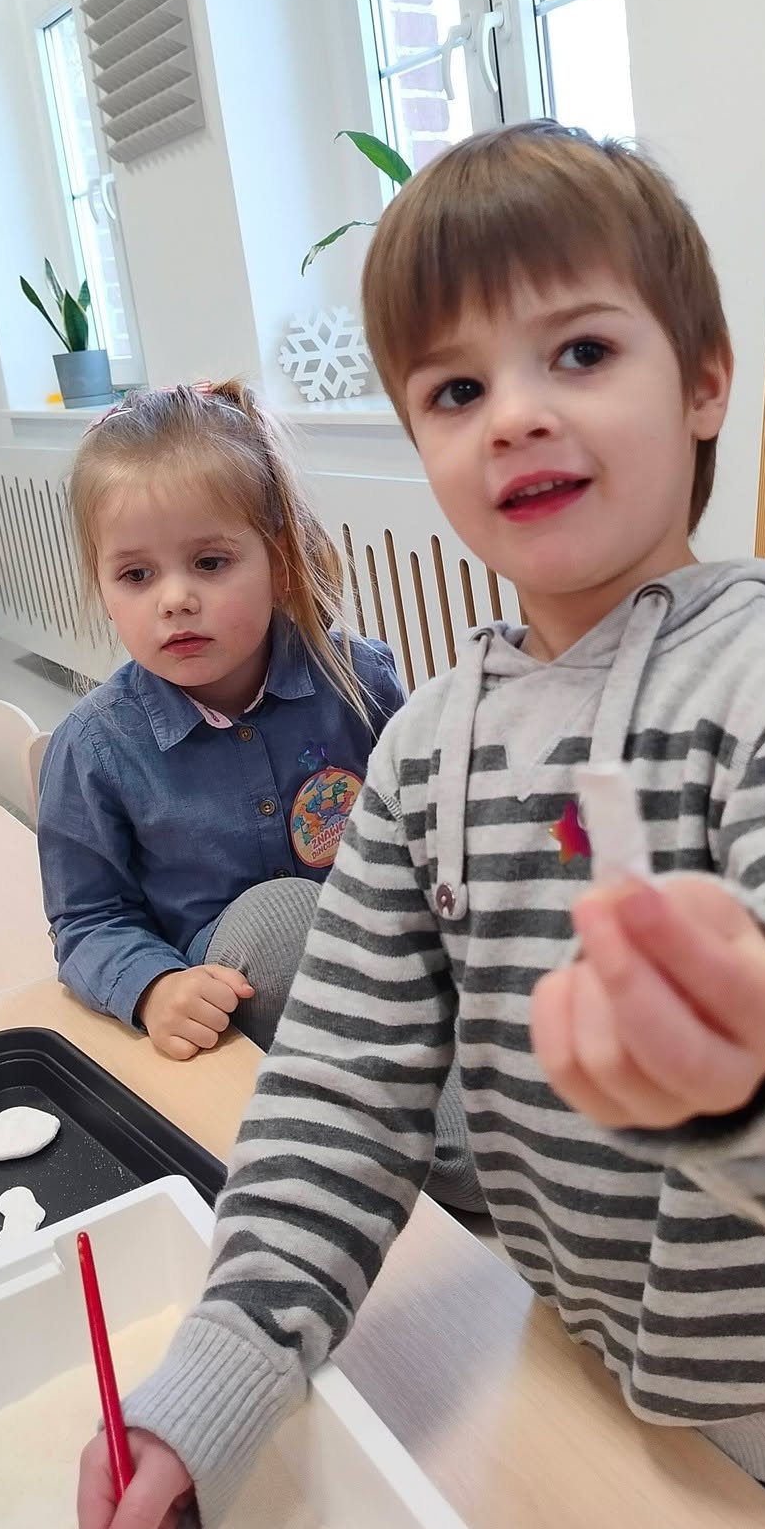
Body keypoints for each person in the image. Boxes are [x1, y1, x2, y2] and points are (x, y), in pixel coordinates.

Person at [77, 128, 765, 1529]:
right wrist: (214, 1386)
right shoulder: (423, 751)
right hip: (595, 1394)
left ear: (701, 381)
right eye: (455, 390)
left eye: (578, 352)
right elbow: (340, 1100)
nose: (514, 413)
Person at [37, 380, 481, 1204]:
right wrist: (152, 988)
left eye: (209, 563)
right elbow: (87, 922)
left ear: (277, 561)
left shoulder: (356, 676)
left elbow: (428, 824)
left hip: (401, 964)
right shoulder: (93, 749)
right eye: (135, 574)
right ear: (102, 588)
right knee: (282, 916)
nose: (175, 598)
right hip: (246, 994)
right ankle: (490, 1157)